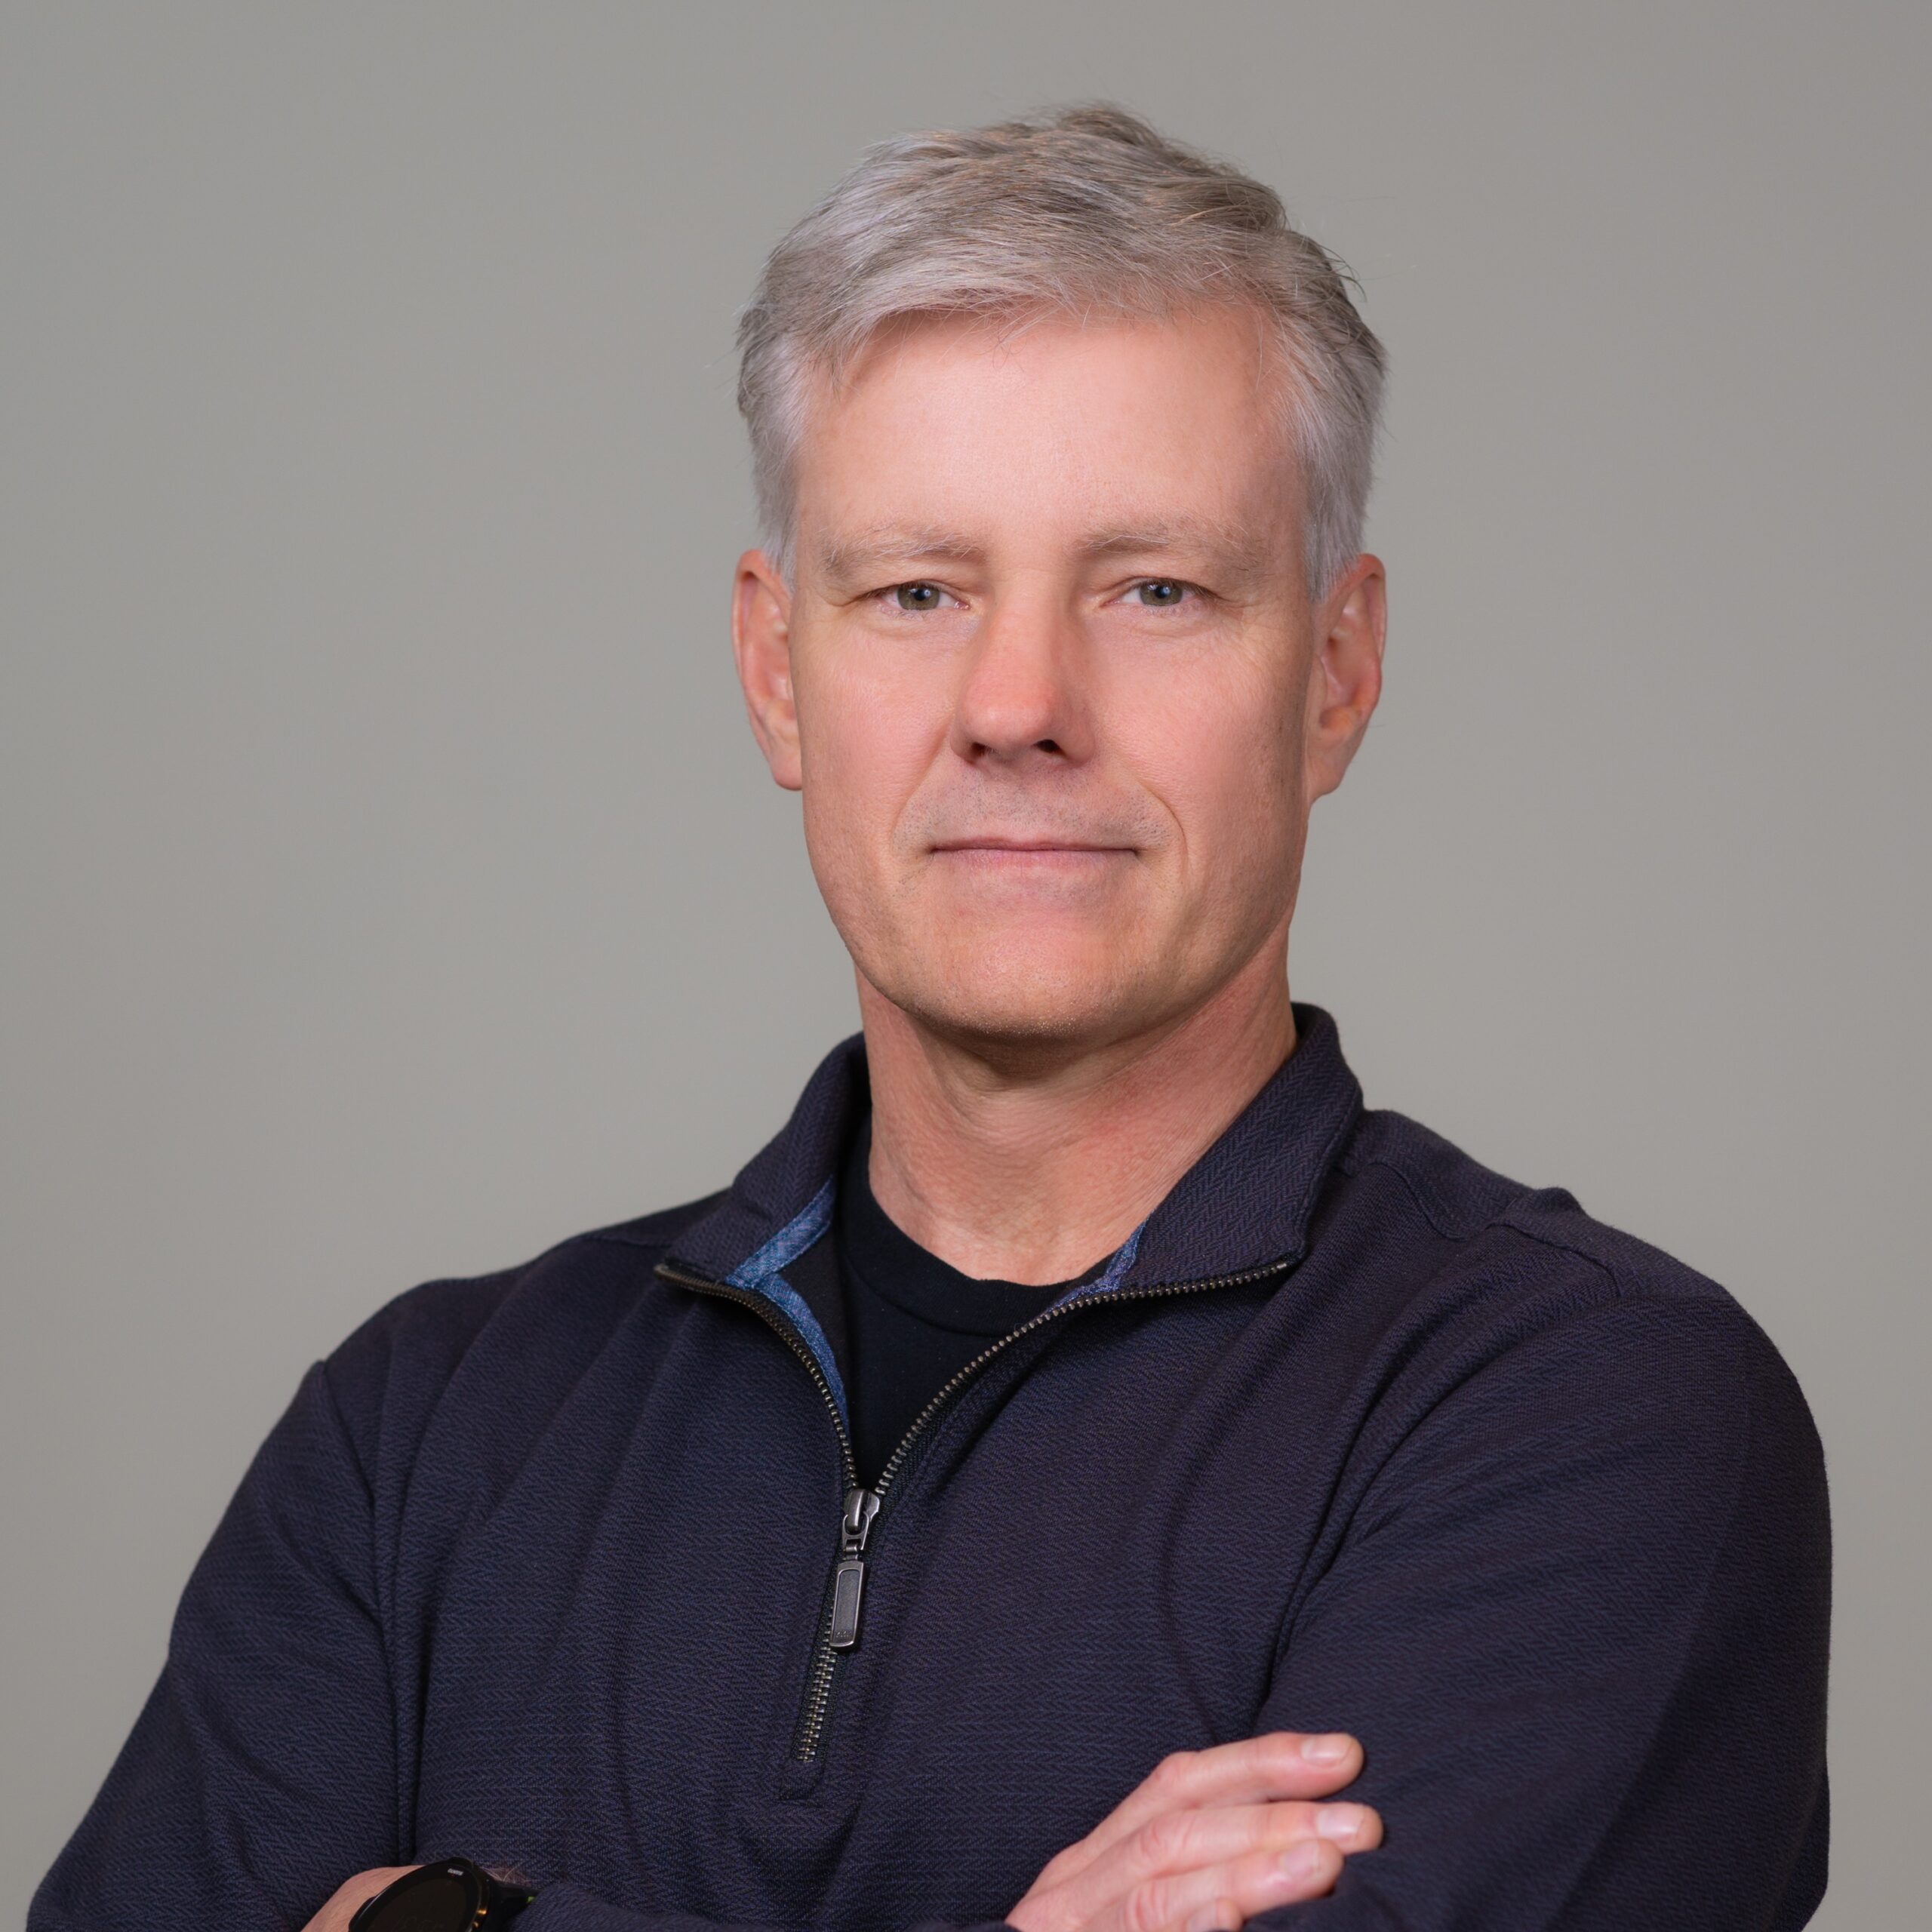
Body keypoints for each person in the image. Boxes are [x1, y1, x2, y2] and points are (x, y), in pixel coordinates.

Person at [31, 106, 1830, 1932]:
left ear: (1335, 672)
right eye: (915, 590)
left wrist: (428, 1921)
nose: (1018, 703)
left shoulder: (1584, 1414)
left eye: (1154, 588)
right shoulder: (422, 1431)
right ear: (774, 670)